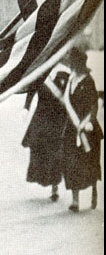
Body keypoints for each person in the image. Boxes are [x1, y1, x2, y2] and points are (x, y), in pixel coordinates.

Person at [60, 47, 103, 212]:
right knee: (71, 164)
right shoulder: (71, 80)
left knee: (90, 164)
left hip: (87, 129)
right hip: (71, 129)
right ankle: (75, 200)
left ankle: (93, 190)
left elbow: (94, 105)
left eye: (73, 62)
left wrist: (90, 122)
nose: (71, 65)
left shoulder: (88, 80)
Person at [22, 69, 69, 202]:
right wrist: (26, 107)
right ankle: (42, 178)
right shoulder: (41, 73)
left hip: (57, 120)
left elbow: (70, 96)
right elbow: (31, 90)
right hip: (41, 118)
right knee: (37, 149)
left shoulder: (65, 74)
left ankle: (55, 187)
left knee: (55, 153)